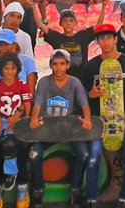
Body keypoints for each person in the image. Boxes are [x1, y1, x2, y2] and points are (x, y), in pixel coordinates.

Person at [81, 24, 125, 208]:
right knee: (94, 154)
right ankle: (91, 197)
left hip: (122, 118)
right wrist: (90, 94)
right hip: (99, 119)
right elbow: (83, 94)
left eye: (109, 37)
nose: (105, 42)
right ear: (98, 42)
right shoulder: (91, 66)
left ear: (116, 39)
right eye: (101, 38)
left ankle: (124, 196)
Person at [28, 49, 93, 208]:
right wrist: (34, 118)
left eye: (62, 64)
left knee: (84, 154)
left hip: (68, 128)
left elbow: (85, 104)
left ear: (68, 65)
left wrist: (88, 119)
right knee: (34, 154)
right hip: (47, 128)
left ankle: (75, 189)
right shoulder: (43, 82)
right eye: (55, 64)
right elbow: (37, 104)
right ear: (50, 65)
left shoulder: (75, 82)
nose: (58, 67)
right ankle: (38, 191)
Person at [0, 53, 33, 208]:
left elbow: (27, 104)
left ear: (17, 69)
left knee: (10, 145)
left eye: (13, 68)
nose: (9, 71)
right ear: (1, 70)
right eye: (6, 68)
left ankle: (12, 175)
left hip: (16, 124)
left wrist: (24, 120)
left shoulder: (22, 84)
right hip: (1, 121)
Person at [29, 0, 109, 81]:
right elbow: (40, 24)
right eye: (65, 21)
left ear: (75, 23)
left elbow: (98, 26)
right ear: (60, 23)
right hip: (62, 80)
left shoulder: (83, 36)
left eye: (71, 20)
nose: (68, 23)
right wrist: (33, 5)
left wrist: (104, 6)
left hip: (81, 80)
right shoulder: (56, 37)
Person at [0, 29, 38, 93]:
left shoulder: (28, 61)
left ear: (14, 45)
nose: (2, 48)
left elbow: (30, 92)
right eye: (0, 44)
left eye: (6, 44)